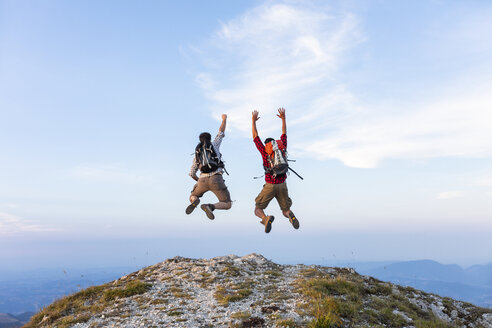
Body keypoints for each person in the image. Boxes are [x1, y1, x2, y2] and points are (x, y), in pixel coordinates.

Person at [252, 108, 300, 233]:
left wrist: (253, 121)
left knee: (257, 209)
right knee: (285, 210)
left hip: (270, 184)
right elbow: (284, 132)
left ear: (267, 145)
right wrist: (283, 118)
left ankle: (265, 218)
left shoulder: (264, 151)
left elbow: (255, 137)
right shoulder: (282, 147)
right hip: (282, 184)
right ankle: (290, 216)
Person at [186, 114, 232, 219]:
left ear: (199, 140)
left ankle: (194, 200)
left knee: (193, 195)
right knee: (227, 203)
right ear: (210, 139)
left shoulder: (198, 153)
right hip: (216, 178)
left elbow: (192, 173)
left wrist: (198, 181)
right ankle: (210, 206)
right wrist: (224, 119)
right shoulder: (214, 145)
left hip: (202, 180)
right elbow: (221, 133)